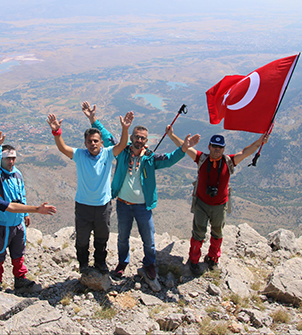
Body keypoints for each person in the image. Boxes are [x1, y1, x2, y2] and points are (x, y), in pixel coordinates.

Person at [81, 101, 200, 281]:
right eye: (136, 136)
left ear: (146, 140)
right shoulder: (122, 151)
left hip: (143, 206)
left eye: (142, 138)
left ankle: (149, 264)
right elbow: (105, 136)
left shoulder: (151, 159)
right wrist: (92, 119)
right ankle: (122, 263)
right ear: (131, 138)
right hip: (123, 204)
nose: (139, 140)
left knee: (149, 240)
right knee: (122, 238)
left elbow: (169, 159)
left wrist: (184, 148)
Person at [167, 128, 269, 275]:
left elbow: (246, 152)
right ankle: (194, 260)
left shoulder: (229, 162)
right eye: (214, 146)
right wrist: (171, 135)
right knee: (198, 233)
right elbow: (185, 147)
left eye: (220, 147)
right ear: (209, 147)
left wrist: (260, 142)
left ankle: (213, 258)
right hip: (202, 204)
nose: (217, 149)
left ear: (224, 149)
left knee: (217, 233)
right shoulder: (201, 158)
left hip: (220, 206)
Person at [46, 110, 133, 274]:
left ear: (101, 142)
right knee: (82, 239)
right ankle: (84, 264)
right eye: (89, 141)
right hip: (83, 206)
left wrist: (125, 129)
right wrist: (56, 132)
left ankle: (100, 262)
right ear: (85, 143)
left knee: (102, 238)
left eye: (96, 141)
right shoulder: (80, 155)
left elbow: (122, 145)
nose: (93, 144)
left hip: (102, 206)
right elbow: (63, 148)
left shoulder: (107, 154)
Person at [0, 131, 34, 291]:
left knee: (18, 253)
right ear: (1, 159)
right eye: (8, 158)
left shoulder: (17, 174)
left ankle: (20, 279)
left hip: (17, 223)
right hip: (2, 225)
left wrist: (25, 213)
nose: (11, 161)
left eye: (13, 158)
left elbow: (22, 194)